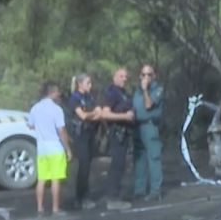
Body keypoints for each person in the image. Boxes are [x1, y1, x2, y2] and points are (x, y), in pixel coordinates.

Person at [28, 81, 71, 216]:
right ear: (52, 93)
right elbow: (62, 130)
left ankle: (40, 208)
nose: (59, 94)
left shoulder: (35, 108)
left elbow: (30, 125)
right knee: (55, 179)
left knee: (41, 179)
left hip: (42, 148)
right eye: (57, 92)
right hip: (55, 147)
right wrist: (68, 149)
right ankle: (55, 208)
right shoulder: (56, 109)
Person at [96, 67, 135, 209]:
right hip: (116, 132)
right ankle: (113, 198)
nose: (124, 79)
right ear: (114, 77)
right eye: (121, 76)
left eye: (126, 76)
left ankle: (113, 194)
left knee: (120, 165)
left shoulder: (123, 93)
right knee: (117, 166)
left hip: (125, 132)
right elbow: (105, 114)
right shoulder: (112, 93)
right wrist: (124, 116)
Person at [131, 63, 164, 201]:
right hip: (137, 126)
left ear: (154, 76)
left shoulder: (158, 90)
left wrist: (145, 90)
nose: (146, 77)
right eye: (143, 75)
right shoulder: (136, 92)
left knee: (153, 158)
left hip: (150, 126)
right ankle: (139, 189)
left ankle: (155, 190)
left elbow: (148, 105)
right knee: (139, 159)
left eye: (149, 74)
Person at [68, 74, 100, 210]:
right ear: (80, 84)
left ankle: (84, 196)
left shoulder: (89, 97)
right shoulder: (75, 98)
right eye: (88, 83)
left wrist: (92, 114)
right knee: (83, 166)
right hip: (80, 135)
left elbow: (96, 113)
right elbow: (83, 115)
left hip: (89, 133)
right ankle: (80, 197)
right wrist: (93, 114)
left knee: (88, 166)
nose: (90, 86)